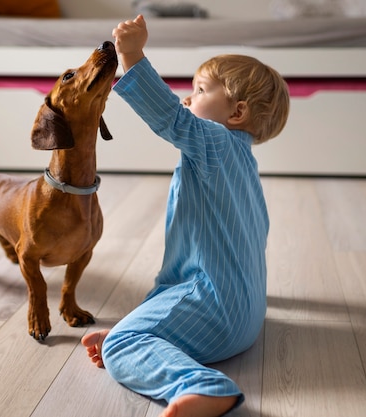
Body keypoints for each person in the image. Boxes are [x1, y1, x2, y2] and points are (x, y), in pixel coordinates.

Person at [82, 15, 289, 417]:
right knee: (150, 308)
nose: (187, 98)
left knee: (120, 344)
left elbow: (171, 119)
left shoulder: (214, 142)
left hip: (214, 308)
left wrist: (132, 55)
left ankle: (204, 386)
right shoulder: (244, 166)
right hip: (247, 314)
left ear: (236, 112)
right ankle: (152, 338)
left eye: (200, 90)